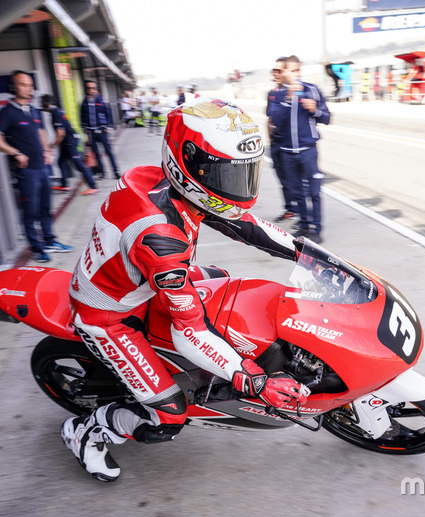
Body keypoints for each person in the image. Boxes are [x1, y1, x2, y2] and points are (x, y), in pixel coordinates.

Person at [60, 97, 309, 482]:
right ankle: (87, 431)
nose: (237, 188)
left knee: (223, 280)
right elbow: (189, 329)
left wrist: (310, 254)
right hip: (110, 315)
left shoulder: (158, 178)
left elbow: (241, 223)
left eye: (244, 173)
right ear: (186, 163)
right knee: (169, 416)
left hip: (141, 280)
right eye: (226, 175)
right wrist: (254, 380)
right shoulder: (161, 237)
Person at [0, 70, 73, 263]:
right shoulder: (7, 112)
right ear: (12, 87)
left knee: (45, 208)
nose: (28, 88)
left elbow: (40, 131)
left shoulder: (34, 110)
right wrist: (15, 153)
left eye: (30, 85)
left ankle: (50, 241)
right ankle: (36, 247)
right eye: (23, 84)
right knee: (30, 211)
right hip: (27, 172)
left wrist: (47, 151)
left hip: (42, 168)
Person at [268, 55, 331, 243]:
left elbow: (327, 118)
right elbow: (275, 121)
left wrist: (315, 110)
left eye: (298, 71)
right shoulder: (278, 94)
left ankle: (317, 229)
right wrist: (288, 99)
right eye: (292, 71)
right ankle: (304, 227)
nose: (296, 75)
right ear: (285, 72)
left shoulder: (312, 90)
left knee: (314, 191)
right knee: (297, 192)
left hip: (308, 150)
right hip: (287, 151)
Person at [41, 94, 98, 196]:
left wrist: (53, 145)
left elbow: (60, 134)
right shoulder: (56, 111)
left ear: (46, 103)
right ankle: (64, 185)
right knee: (61, 162)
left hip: (70, 142)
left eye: (42, 103)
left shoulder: (56, 113)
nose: (41, 105)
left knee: (79, 165)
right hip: (66, 142)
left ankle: (93, 186)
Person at [266, 56, 297, 223]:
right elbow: (269, 119)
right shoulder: (272, 93)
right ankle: (290, 209)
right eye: (274, 70)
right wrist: (270, 144)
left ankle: (300, 210)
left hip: (289, 142)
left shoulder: (290, 91)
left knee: (294, 178)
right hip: (276, 143)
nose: (276, 73)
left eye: (279, 70)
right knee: (282, 179)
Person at [80, 80, 121, 180]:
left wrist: (108, 127)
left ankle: (115, 171)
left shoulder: (101, 101)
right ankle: (102, 173)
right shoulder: (84, 102)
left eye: (93, 88)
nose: (91, 90)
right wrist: (84, 128)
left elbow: (108, 114)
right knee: (96, 153)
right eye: (89, 88)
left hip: (102, 131)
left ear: (96, 89)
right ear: (86, 89)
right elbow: (82, 116)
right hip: (91, 132)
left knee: (109, 152)